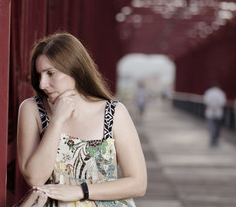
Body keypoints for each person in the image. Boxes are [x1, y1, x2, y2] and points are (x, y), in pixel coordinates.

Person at [17, 32, 147, 207]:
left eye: (50, 73)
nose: (42, 84)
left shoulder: (114, 113)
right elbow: (35, 177)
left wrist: (81, 190)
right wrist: (57, 121)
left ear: (75, 70)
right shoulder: (32, 109)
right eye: (39, 75)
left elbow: (138, 183)